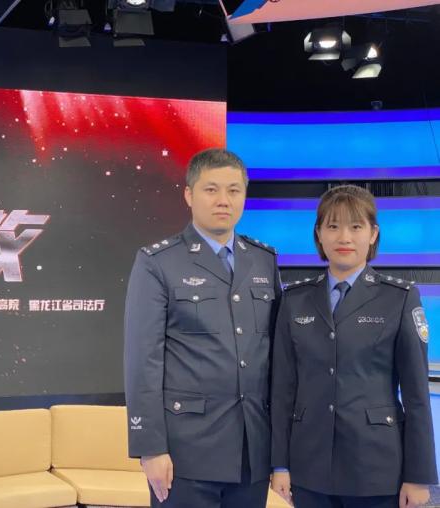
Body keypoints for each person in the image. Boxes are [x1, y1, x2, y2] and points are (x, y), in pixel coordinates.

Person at [124, 148, 282, 508]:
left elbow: (276, 355)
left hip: (252, 450)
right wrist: (150, 448)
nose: (223, 200)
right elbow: (143, 361)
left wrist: (281, 451)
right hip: (187, 453)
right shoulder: (158, 262)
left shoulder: (264, 259)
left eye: (234, 190)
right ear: (189, 195)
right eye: (211, 189)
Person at [270, 185, 437, 508]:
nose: (344, 237)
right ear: (319, 234)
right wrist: (280, 465)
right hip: (309, 467)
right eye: (333, 226)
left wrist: (419, 476)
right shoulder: (294, 299)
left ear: (373, 234)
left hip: (376, 468)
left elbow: (417, 395)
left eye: (356, 226)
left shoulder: (399, 298)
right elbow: (282, 391)